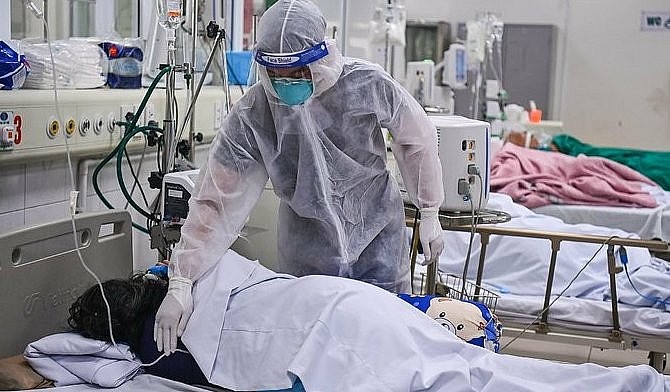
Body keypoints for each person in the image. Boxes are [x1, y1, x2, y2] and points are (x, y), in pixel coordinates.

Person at [155, 0, 445, 354]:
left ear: (322, 57)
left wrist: (429, 210)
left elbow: (418, 138)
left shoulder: (366, 84)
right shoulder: (252, 114)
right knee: (313, 347)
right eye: (277, 74)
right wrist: (181, 281)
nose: (286, 82)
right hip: (308, 252)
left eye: (296, 71)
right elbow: (214, 203)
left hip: (377, 241)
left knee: (384, 343)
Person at [67, 250, 668, 391]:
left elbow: (167, 370)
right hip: (352, 307)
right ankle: (642, 384)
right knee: (483, 369)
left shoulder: (157, 342)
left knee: (471, 383)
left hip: (336, 345)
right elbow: (197, 255)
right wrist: (163, 273)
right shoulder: (204, 272)